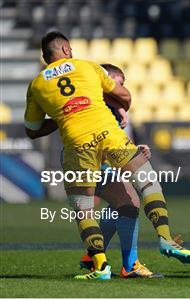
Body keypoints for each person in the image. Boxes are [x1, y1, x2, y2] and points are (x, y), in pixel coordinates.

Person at [24, 31, 190, 280]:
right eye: (118, 82)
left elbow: (31, 130)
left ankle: (103, 264)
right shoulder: (88, 68)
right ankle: (165, 239)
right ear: (66, 49)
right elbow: (125, 96)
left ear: (44, 56)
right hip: (107, 136)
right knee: (146, 181)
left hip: (77, 146)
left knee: (101, 208)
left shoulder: (37, 84)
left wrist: (62, 118)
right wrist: (120, 103)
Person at [76, 64, 162, 278]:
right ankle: (129, 265)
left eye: (123, 86)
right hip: (89, 165)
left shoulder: (116, 111)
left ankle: (93, 255)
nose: (120, 90)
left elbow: (119, 142)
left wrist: (136, 151)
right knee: (129, 203)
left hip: (104, 164)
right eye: (117, 84)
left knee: (123, 205)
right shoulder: (93, 109)